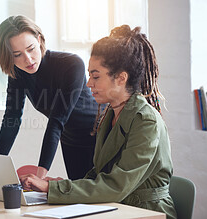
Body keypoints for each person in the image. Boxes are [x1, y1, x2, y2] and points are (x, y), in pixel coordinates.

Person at [19, 25, 177, 219]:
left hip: (147, 213)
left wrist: (53, 188)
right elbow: (99, 174)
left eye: (95, 76)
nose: (88, 84)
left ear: (121, 78)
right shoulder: (110, 114)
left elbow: (116, 185)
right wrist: (56, 184)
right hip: (118, 208)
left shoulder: (146, 122)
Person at [0, 15, 98, 188]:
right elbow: (11, 119)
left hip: (100, 137)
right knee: (82, 202)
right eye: (17, 55)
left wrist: (40, 177)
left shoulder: (71, 64)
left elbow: (56, 121)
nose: (28, 60)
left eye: (31, 49)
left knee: (104, 199)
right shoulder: (18, 73)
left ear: (39, 40)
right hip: (70, 140)